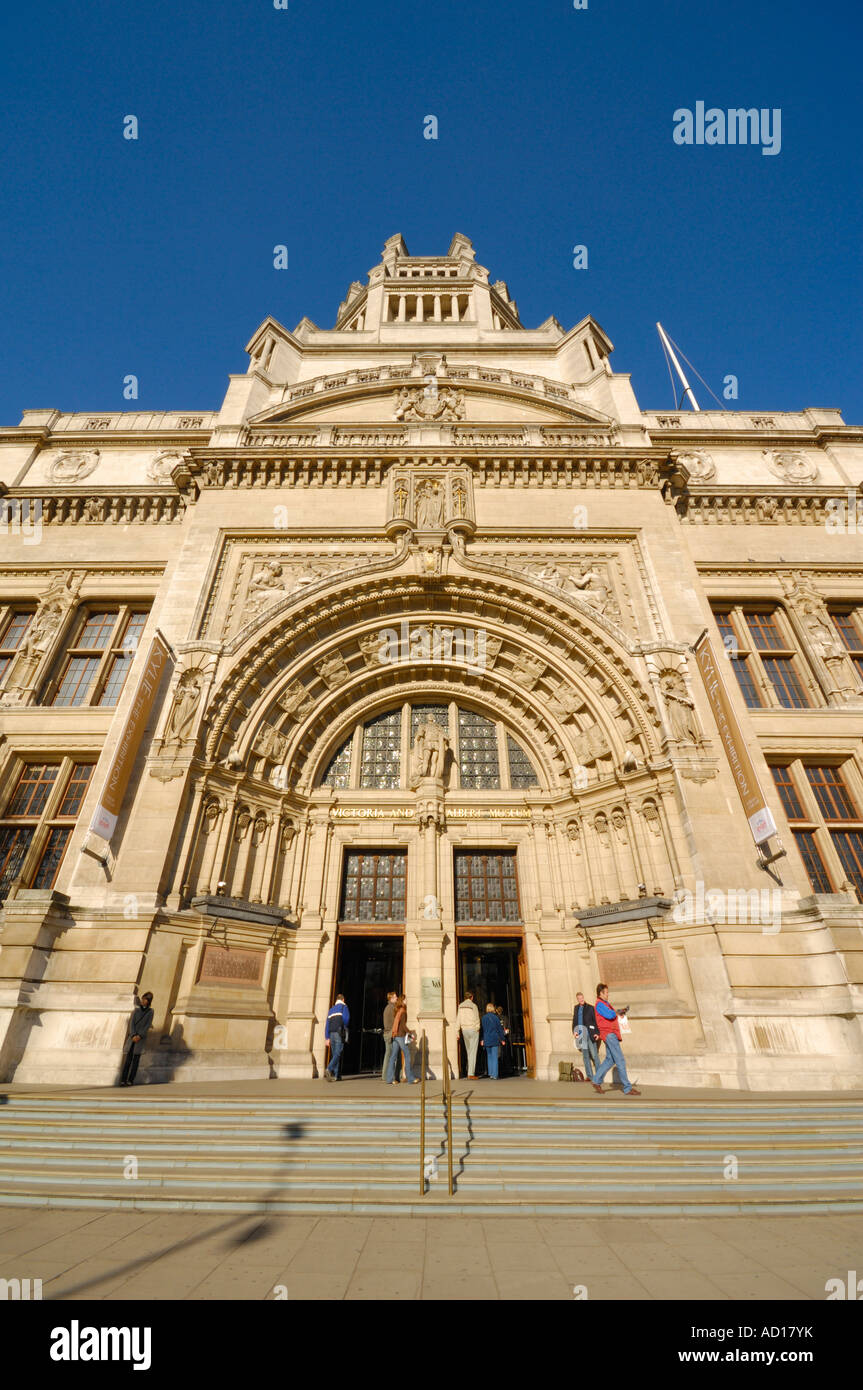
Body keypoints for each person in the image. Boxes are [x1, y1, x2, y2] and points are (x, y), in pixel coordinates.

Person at [591, 983, 640, 1096]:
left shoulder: (604, 1003)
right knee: (620, 1060)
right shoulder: (599, 1004)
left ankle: (596, 1080)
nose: (608, 994)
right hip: (609, 1034)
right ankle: (627, 1088)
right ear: (600, 993)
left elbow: (612, 1014)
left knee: (610, 1059)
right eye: (606, 992)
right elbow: (610, 1015)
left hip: (610, 1034)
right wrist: (617, 1012)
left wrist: (619, 1011)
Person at [119, 991, 154, 1086]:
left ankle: (130, 1080)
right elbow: (131, 1023)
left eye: (146, 999)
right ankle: (123, 1080)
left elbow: (147, 1025)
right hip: (132, 1038)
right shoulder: (136, 1010)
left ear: (149, 1001)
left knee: (135, 1062)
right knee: (128, 1061)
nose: (143, 1001)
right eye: (143, 999)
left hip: (140, 1039)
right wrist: (133, 1035)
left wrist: (139, 1036)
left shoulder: (151, 1011)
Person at [386, 995, 418, 1084]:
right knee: (407, 1055)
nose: (407, 1001)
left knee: (393, 1057)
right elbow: (403, 1025)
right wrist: (410, 1033)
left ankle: (389, 1079)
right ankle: (410, 1078)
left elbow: (399, 1024)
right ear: (403, 1001)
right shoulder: (403, 1011)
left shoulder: (398, 1010)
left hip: (395, 1035)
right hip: (400, 1036)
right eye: (406, 999)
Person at [572, 991, 600, 1082]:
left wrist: (597, 1033)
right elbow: (574, 1021)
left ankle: (599, 1076)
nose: (581, 999)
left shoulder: (590, 1008)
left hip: (590, 1033)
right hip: (581, 1034)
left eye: (581, 997)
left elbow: (596, 1021)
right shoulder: (576, 1008)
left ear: (583, 997)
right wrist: (574, 1031)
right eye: (579, 998)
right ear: (577, 999)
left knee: (594, 1055)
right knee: (585, 1056)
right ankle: (590, 1076)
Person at [324, 993, 350, 1081]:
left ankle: (336, 1075)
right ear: (343, 1000)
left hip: (331, 1033)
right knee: (338, 1053)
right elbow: (346, 1020)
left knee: (335, 1054)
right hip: (339, 1033)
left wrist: (327, 1038)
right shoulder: (344, 1007)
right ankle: (329, 1068)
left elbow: (327, 1024)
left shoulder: (331, 1010)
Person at [455, 991, 481, 1078]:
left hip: (464, 1030)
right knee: (473, 1052)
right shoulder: (473, 1006)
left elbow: (458, 1019)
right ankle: (471, 1073)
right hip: (473, 1029)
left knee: (469, 1051)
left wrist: (457, 1032)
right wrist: (477, 1028)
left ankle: (469, 1071)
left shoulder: (460, 1006)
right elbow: (477, 1018)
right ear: (472, 997)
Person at [480, 1003, 506, 1080]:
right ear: (493, 1009)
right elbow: (499, 1030)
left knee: (489, 1056)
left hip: (487, 1039)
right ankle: (495, 1074)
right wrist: (502, 1039)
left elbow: (482, 1030)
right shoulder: (496, 1018)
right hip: (494, 1039)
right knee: (495, 1057)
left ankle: (491, 1073)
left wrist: (482, 1039)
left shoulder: (483, 1018)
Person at [381, 990, 400, 1083]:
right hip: (390, 1034)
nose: (397, 998)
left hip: (388, 1033)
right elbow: (393, 1023)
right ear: (391, 998)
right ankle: (387, 1076)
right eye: (395, 997)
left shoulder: (389, 1007)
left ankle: (386, 1075)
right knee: (390, 1055)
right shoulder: (391, 1008)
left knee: (388, 1054)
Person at [495, 1005, 512, 1076]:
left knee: (498, 1054)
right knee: (504, 1054)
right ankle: (505, 1069)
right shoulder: (505, 1018)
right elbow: (508, 1029)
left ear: (496, 1011)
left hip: (497, 1038)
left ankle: (499, 1070)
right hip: (504, 1038)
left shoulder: (495, 1018)